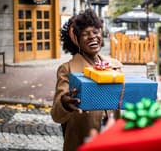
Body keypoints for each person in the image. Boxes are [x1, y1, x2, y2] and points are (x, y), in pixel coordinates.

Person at [51, 9, 123, 151]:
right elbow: (56, 115)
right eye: (85, 34)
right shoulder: (67, 70)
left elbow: (124, 101)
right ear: (76, 40)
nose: (92, 37)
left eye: (95, 32)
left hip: (114, 140)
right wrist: (64, 103)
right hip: (83, 143)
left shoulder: (115, 65)